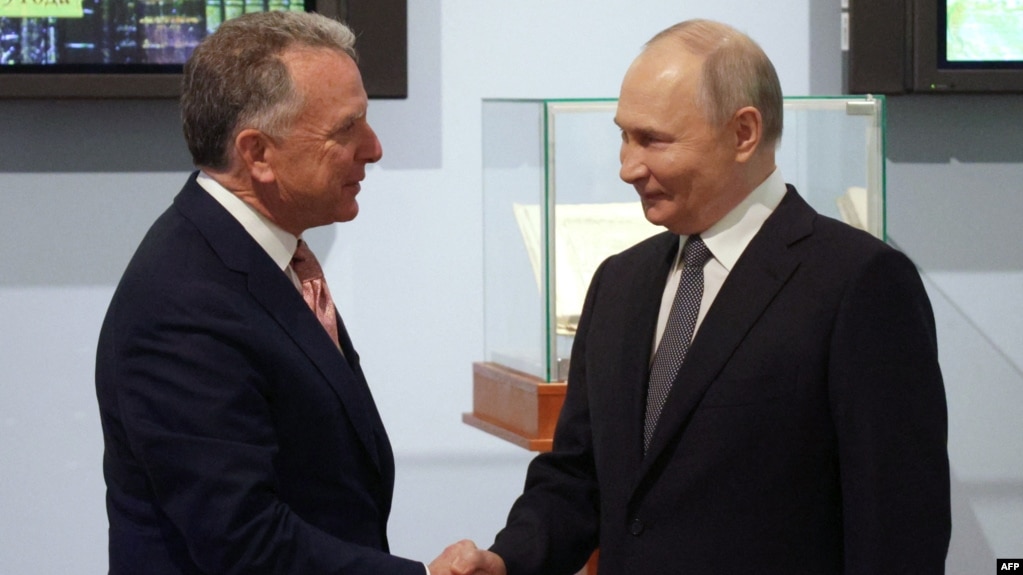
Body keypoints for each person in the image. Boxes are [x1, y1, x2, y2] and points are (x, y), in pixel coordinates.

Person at [447, 18, 951, 575]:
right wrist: (505, 560)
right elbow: (578, 477)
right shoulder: (619, 283)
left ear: (743, 133)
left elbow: (899, 527)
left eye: (653, 140)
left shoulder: (860, 284)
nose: (627, 167)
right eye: (623, 135)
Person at [95, 10, 471, 574]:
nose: (374, 148)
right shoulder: (183, 305)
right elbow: (241, 540)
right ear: (258, 154)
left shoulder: (261, 257)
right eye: (347, 129)